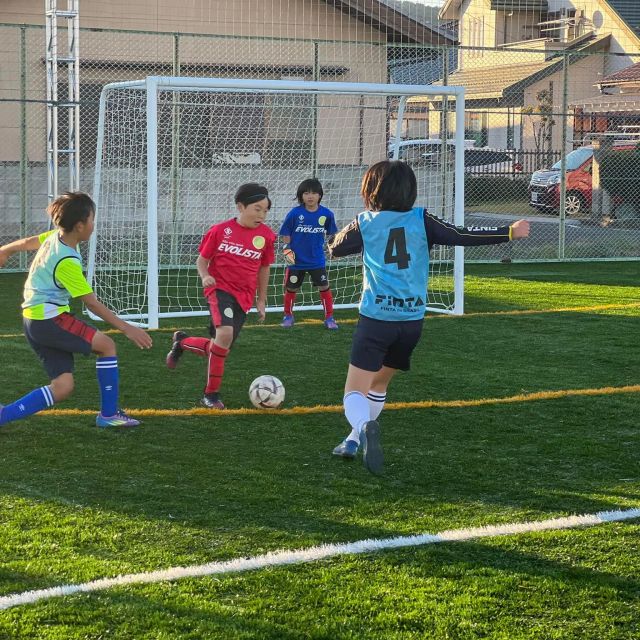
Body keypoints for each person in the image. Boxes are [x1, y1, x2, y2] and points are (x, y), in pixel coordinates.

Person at [328, 160, 530, 475]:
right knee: (379, 383)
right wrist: (508, 232)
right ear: (410, 191)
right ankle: (353, 439)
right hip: (411, 323)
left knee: (354, 392)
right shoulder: (422, 219)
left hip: (376, 320)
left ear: (371, 190)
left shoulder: (365, 221)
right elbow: (461, 234)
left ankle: (364, 426)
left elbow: (335, 249)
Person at [0, 191, 153, 429]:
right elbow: (91, 302)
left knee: (63, 387)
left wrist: (5, 250)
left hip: (34, 320)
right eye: (92, 219)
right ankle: (109, 414)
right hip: (49, 320)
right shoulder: (68, 261)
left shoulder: (55, 237)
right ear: (80, 226)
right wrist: (127, 328)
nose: (94, 225)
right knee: (107, 346)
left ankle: (3, 416)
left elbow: (30, 242)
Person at [166, 183, 276, 409]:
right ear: (240, 206)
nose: (262, 215)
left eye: (265, 210)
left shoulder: (266, 236)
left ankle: (182, 342)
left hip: (244, 297)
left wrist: (261, 299)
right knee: (224, 336)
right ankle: (211, 395)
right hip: (219, 290)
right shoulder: (219, 231)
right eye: (257, 209)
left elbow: (265, 267)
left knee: (220, 347)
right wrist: (205, 276)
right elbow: (201, 261)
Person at [278, 178, 339, 329]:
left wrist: (333, 249)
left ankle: (330, 318)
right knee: (291, 288)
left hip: (316, 260)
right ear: (301, 195)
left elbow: (332, 234)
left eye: (314, 193)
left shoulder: (327, 214)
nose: (310, 196)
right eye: (306, 193)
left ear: (320, 195)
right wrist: (287, 250)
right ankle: (288, 316)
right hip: (296, 260)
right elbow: (286, 233)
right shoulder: (295, 213)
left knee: (324, 286)